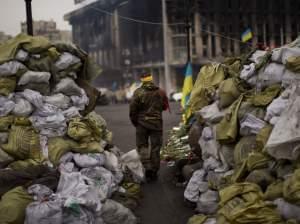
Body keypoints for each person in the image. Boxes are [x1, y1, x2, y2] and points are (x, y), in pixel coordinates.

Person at [129, 73, 169, 181]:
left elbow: (133, 110)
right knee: (156, 148)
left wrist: (135, 122)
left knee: (142, 146)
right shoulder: (161, 92)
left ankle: (147, 169)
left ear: (142, 81)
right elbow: (165, 107)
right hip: (156, 124)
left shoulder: (138, 92)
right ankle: (154, 171)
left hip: (142, 124)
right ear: (152, 80)